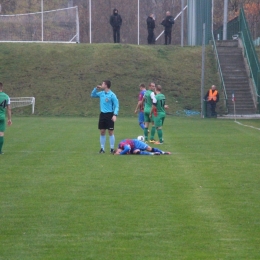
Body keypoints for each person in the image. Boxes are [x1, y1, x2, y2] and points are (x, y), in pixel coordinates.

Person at [91, 80, 119, 154]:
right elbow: (93, 95)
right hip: (102, 114)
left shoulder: (112, 95)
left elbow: (117, 105)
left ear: (106, 85)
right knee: (102, 131)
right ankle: (102, 149)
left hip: (110, 114)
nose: (101, 84)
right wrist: (96, 88)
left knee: (110, 132)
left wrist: (115, 115)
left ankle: (112, 149)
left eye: (102, 84)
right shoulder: (101, 93)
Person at [0, 82, 12, 155]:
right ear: (2, 88)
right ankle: (0, 151)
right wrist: (9, 119)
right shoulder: (6, 96)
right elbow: (9, 109)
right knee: (1, 134)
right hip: (1, 117)